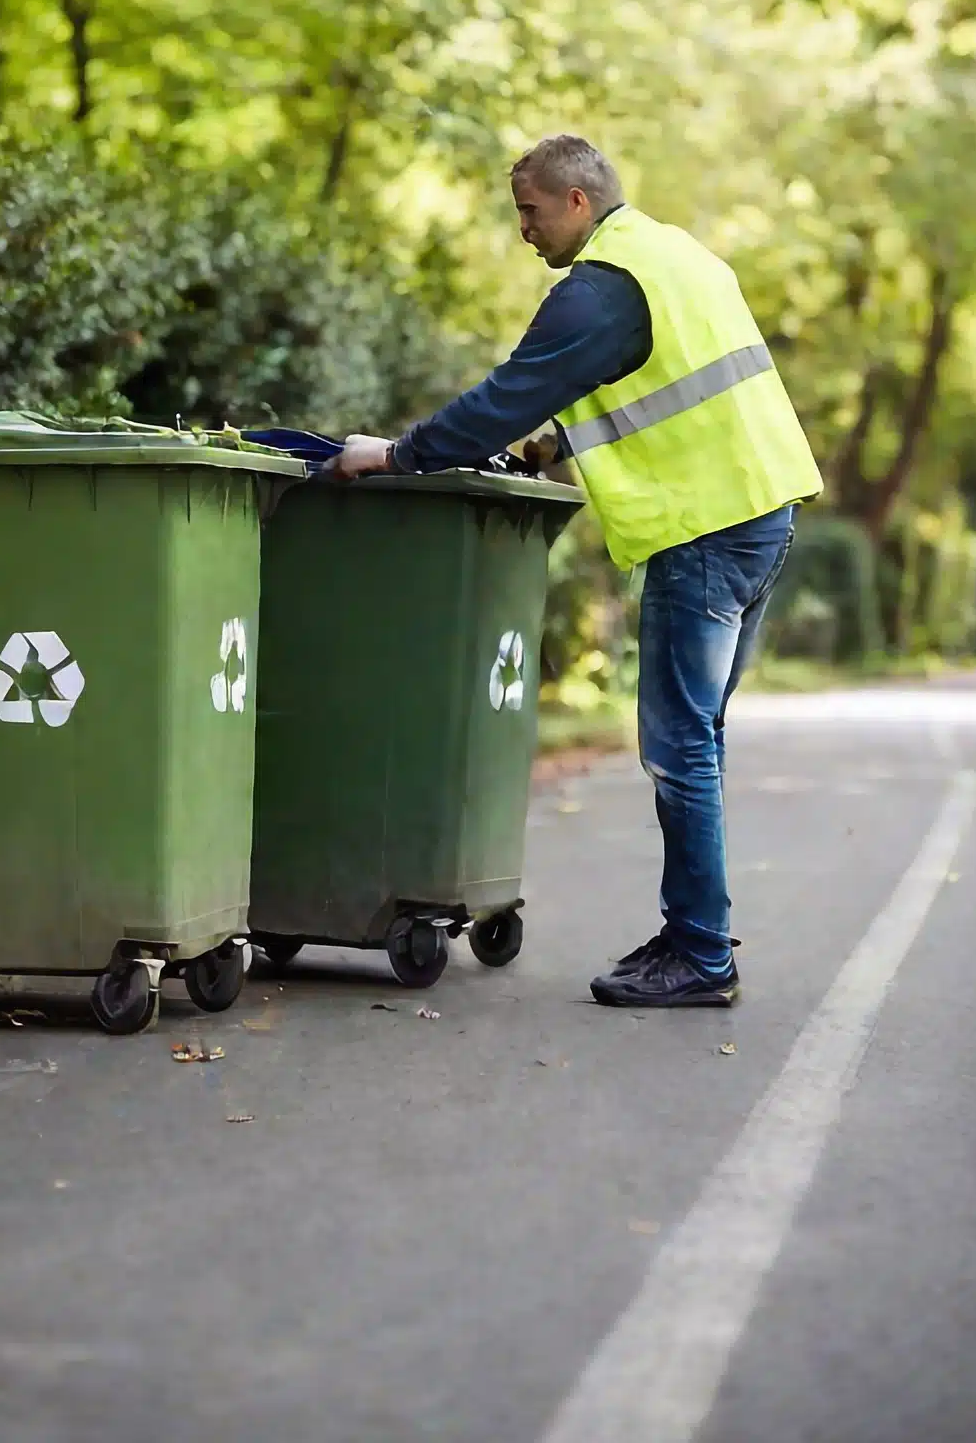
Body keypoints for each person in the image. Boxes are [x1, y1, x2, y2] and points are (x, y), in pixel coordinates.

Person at [329, 135, 821, 1011]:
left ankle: (703, 953)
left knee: (679, 750)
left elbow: (502, 398)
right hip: (764, 513)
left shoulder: (598, 290)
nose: (523, 230)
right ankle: (692, 932)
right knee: (697, 742)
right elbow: (670, 381)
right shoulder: (679, 256)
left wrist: (393, 454)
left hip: (702, 530)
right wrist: (563, 441)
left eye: (529, 211)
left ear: (577, 203)